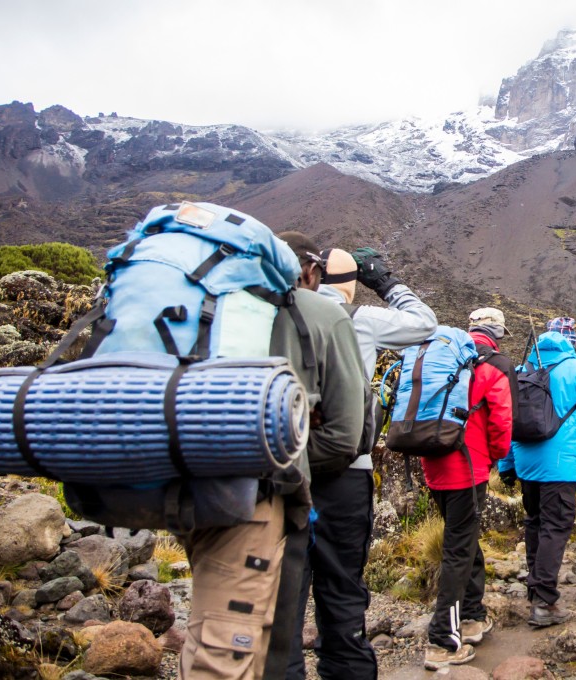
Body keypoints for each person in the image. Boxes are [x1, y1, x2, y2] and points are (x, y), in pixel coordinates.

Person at [181, 233, 366, 680]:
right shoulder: (325, 315)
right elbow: (346, 436)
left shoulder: (211, 311)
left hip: (211, 489)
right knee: (319, 614)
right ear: (310, 270)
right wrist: (295, 445)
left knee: (239, 626)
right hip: (298, 493)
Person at [277, 236, 438, 680]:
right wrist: (387, 283)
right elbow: (426, 323)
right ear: (349, 284)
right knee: (342, 594)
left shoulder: (269, 314)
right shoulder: (358, 319)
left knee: (281, 602)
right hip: (345, 473)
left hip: (280, 470)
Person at [420, 307, 514, 670]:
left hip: (433, 463)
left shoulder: (442, 360)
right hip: (468, 468)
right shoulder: (492, 367)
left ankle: (473, 615)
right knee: (458, 550)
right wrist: (495, 457)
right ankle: (443, 640)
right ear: (497, 334)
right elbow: (502, 423)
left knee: (463, 538)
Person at [497, 322, 576, 628]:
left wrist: (506, 466)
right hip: (560, 464)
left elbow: (506, 419)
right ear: (568, 342)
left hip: (525, 462)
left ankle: (535, 588)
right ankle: (544, 601)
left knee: (534, 522)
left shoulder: (521, 368)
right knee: (556, 526)